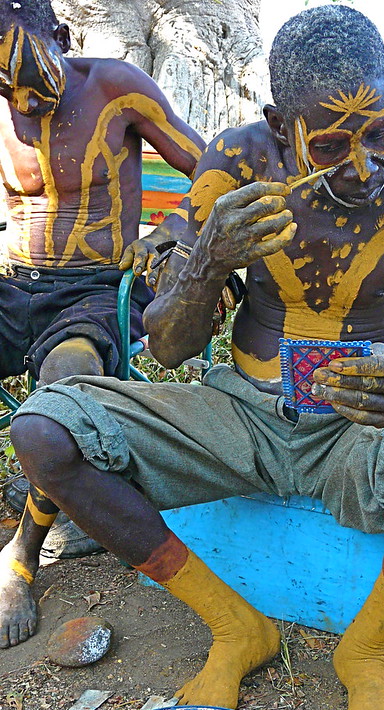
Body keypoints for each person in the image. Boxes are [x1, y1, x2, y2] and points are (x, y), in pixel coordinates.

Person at [9, 5, 384, 710]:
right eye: (333, 143)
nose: (365, 163)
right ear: (281, 126)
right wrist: (208, 257)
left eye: (378, 129)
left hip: (358, 429)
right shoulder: (237, 165)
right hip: (237, 409)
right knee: (43, 431)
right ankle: (237, 627)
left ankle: (361, 651)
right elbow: (171, 351)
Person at [0, 0, 204, 642]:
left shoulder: (116, 88)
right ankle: (55, 495)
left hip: (95, 287)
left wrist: (173, 227)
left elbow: (216, 172)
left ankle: (23, 557)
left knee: (67, 380)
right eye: (9, 92)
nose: (26, 108)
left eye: (36, 85)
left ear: (59, 36)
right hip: (15, 282)